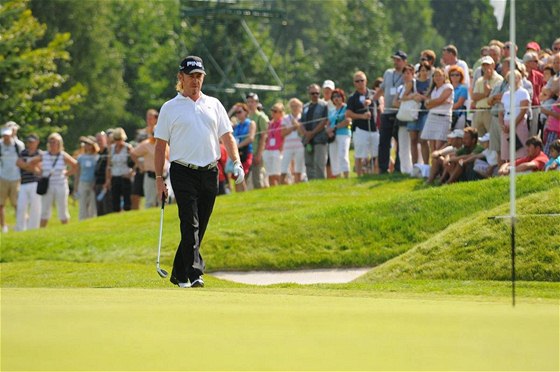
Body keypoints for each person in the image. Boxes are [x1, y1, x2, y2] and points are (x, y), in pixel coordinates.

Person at [154, 55, 243, 288]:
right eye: (191, 76)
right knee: (189, 222)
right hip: (182, 171)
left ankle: (179, 274)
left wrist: (237, 161)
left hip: (210, 171)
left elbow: (227, 136)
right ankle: (195, 273)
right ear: (180, 78)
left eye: (199, 76)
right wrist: (158, 179)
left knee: (200, 224)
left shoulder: (214, 104)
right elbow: (160, 145)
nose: (195, 81)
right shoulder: (169, 108)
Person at [26, 133, 78, 227]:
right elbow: (31, 163)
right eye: (51, 142)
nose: (53, 144)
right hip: (48, 184)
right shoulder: (44, 155)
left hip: (61, 184)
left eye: (56, 142)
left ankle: (65, 228)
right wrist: (39, 171)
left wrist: (66, 173)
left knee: (62, 208)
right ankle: (42, 230)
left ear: (60, 143)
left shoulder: (63, 155)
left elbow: (76, 165)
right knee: (45, 209)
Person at [373, 50, 407, 173]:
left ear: (404, 61)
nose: (396, 62)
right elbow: (382, 89)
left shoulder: (406, 75)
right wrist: (372, 100)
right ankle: (383, 168)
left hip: (399, 113)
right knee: (384, 142)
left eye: (398, 60)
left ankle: (398, 168)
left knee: (399, 142)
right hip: (386, 112)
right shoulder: (388, 73)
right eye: (394, 60)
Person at [347, 71, 379, 176]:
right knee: (360, 154)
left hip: (374, 128)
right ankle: (359, 175)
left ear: (366, 81)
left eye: (362, 80)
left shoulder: (373, 94)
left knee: (376, 153)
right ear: (354, 83)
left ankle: (376, 173)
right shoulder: (352, 98)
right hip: (360, 129)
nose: (360, 83)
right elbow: (348, 113)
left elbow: (381, 104)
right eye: (357, 81)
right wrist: (362, 116)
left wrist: (371, 101)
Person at [499, 70, 531, 162]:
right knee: (507, 153)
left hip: (519, 123)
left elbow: (523, 111)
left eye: (515, 77)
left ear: (519, 79)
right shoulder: (505, 94)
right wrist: (502, 125)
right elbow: (500, 112)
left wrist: (513, 125)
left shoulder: (523, 92)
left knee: (520, 153)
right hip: (506, 124)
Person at [420, 68, 454, 153]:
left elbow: (439, 100)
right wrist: (440, 102)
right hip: (432, 116)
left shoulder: (448, 87)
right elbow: (427, 105)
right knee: (431, 144)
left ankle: (439, 164)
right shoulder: (433, 89)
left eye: (439, 75)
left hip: (443, 117)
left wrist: (431, 102)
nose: (437, 77)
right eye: (435, 75)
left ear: (444, 76)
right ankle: (432, 164)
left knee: (440, 145)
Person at [300, 84, 329, 180]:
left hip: (320, 138)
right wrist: (306, 134)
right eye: (313, 93)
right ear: (309, 94)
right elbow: (302, 122)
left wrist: (312, 133)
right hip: (307, 140)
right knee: (308, 163)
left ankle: (320, 184)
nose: (315, 95)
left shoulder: (324, 105)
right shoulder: (305, 107)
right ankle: (311, 184)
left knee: (319, 163)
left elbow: (324, 121)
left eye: (317, 93)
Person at [0, 125, 24, 233]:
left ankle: (20, 224)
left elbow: (23, 160)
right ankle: (3, 226)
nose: (6, 137)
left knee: (16, 203)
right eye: (4, 135)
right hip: (2, 177)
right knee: (1, 204)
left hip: (16, 178)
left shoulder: (18, 145)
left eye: (8, 135)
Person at [15, 134, 41, 231]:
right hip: (24, 183)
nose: (30, 144)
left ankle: (33, 228)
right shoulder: (23, 153)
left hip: (35, 183)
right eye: (29, 142)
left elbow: (39, 170)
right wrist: (31, 166)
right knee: (21, 207)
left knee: (35, 207)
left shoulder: (40, 153)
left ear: (37, 142)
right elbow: (18, 163)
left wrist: (26, 165)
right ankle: (20, 228)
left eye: (32, 142)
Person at [472, 56, 503, 136]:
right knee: (478, 138)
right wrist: (485, 94)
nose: (486, 67)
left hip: (490, 112)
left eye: (488, 65)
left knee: (491, 136)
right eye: (484, 65)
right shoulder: (479, 80)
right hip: (479, 111)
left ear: (493, 65)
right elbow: (474, 96)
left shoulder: (499, 79)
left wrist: (488, 91)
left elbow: (495, 95)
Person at [105, 127, 134, 212]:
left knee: (127, 201)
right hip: (115, 177)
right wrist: (108, 179)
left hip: (125, 177)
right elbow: (108, 165)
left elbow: (136, 161)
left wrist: (131, 173)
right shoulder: (111, 148)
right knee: (115, 201)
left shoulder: (128, 148)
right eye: (116, 139)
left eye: (120, 139)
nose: (118, 141)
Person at [229, 102, 255, 192]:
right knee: (236, 176)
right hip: (238, 153)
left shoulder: (250, 123)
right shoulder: (236, 125)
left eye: (239, 112)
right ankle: (238, 196)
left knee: (241, 175)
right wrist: (232, 110)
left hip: (246, 152)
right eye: (236, 113)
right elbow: (224, 120)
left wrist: (237, 146)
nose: (237, 114)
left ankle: (244, 194)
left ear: (246, 112)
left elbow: (251, 138)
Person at [327, 88, 352, 178]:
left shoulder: (346, 108)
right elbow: (328, 123)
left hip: (344, 134)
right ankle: (337, 176)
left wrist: (335, 127)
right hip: (333, 136)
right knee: (334, 156)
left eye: (338, 96)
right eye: (334, 97)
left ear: (342, 97)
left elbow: (348, 120)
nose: (336, 98)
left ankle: (346, 175)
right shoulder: (332, 111)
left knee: (343, 154)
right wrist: (328, 130)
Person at [246, 92, 269, 189]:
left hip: (256, 152)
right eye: (249, 102)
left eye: (253, 102)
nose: (251, 104)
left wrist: (259, 154)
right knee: (245, 179)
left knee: (257, 180)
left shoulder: (261, 117)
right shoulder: (246, 117)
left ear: (257, 103)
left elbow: (264, 137)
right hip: (247, 152)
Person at [280, 98, 305, 184]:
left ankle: (297, 183)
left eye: (296, 106)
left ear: (300, 107)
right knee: (283, 167)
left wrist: (297, 126)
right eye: (292, 106)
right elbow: (282, 133)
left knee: (298, 167)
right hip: (288, 146)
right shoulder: (285, 118)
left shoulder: (303, 117)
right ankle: (281, 184)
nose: (294, 108)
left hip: (300, 145)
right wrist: (293, 127)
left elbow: (303, 132)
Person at [75, 136, 99, 220]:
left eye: (89, 144)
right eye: (86, 144)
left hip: (93, 183)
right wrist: (76, 187)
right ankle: (82, 219)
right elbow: (78, 172)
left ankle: (92, 219)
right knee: (83, 203)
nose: (87, 146)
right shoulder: (81, 157)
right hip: (83, 182)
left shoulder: (96, 157)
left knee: (92, 203)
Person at [263, 102, 285, 186]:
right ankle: (273, 190)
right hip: (268, 149)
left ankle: (283, 188)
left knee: (277, 173)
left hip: (277, 150)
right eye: (272, 110)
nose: (273, 113)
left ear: (281, 112)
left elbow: (284, 137)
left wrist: (281, 148)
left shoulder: (283, 123)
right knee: (270, 174)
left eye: (275, 111)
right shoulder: (270, 124)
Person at [93, 131, 112, 216]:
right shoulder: (97, 154)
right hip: (98, 183)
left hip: (105, 183)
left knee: (106, 207)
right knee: (99, 207)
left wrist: (107, 181)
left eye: (100, 139)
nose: (99, 142)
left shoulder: (108, 152)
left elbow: (109, 167)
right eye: (97, 140)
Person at [448, 66, 469, 131]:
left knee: (458, 136)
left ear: (461, 76)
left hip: (458, 116)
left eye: (457, 75)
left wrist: (446, 108)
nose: (454, 77)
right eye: (452, 75)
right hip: (447, 115)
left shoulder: (463, 88)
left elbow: (459, 104)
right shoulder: (446, 88)